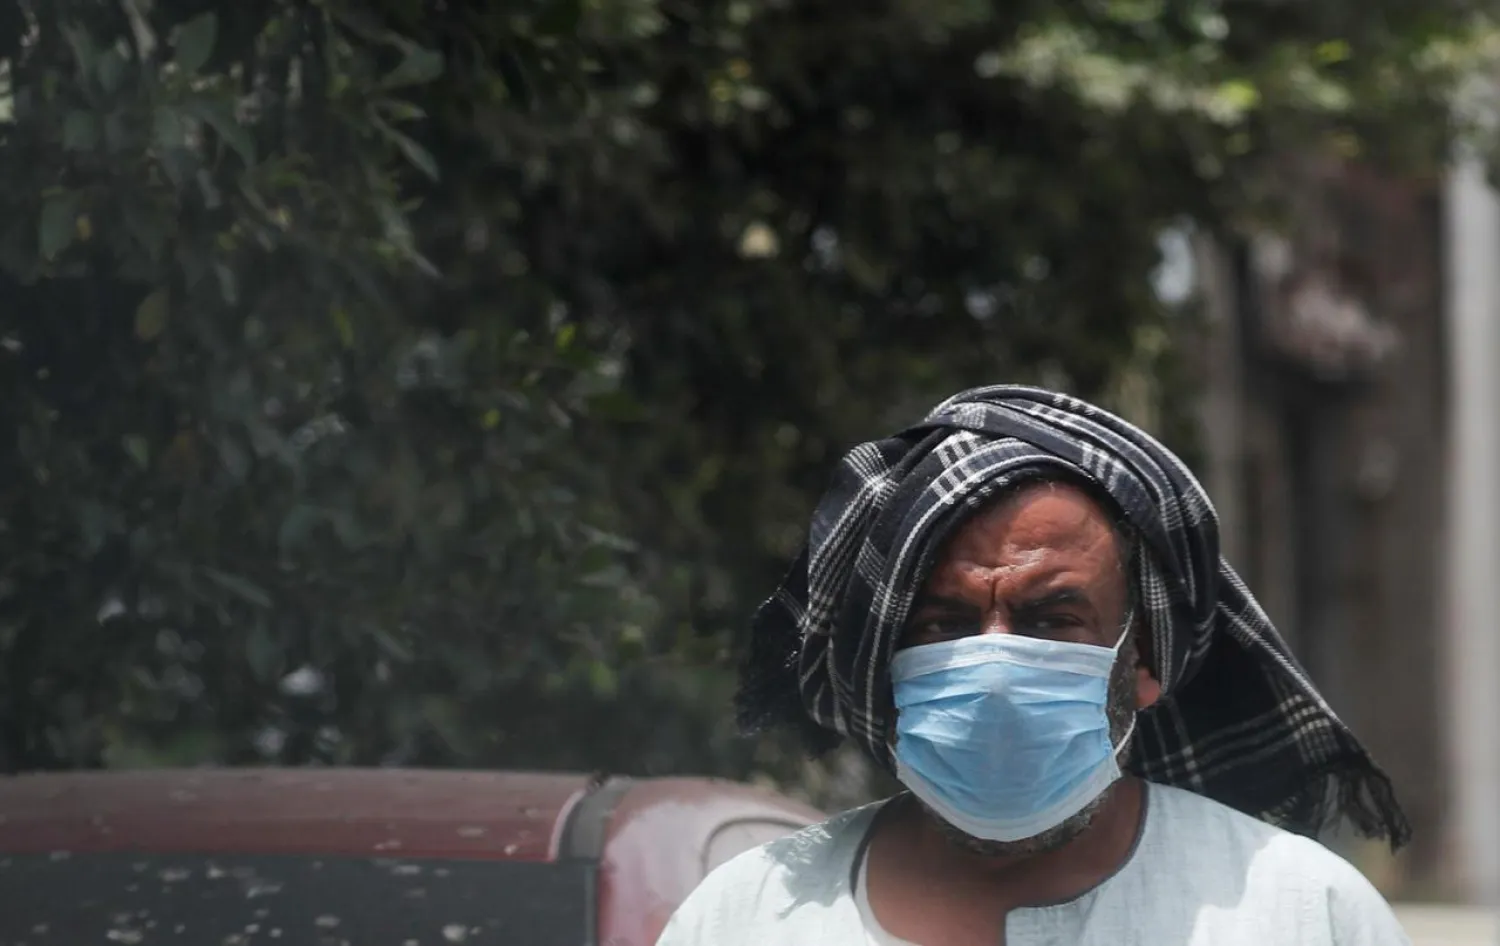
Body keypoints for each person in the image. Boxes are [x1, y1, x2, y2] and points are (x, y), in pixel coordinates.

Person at [657, 385, 1412, 945]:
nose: (994, 664)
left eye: (1053, 620)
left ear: (1142, 658)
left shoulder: (1299, 916)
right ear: (882, 668)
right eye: (943, 624)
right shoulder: (745, 919)